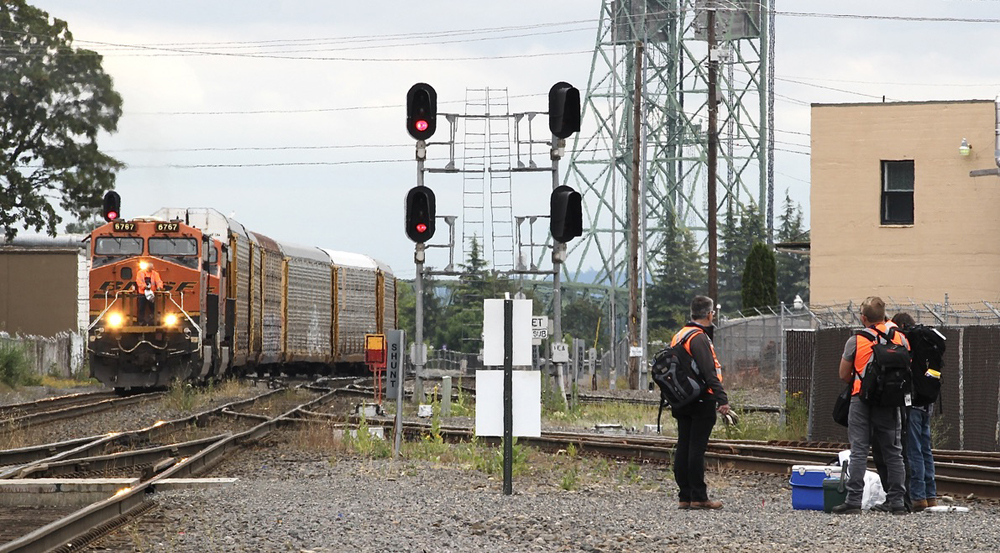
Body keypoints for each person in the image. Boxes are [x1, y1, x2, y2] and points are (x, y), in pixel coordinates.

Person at [832, 296, 909, 515]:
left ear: (863, 318)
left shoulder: (856, 340)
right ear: (884, 316)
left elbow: (843, 374)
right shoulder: (900, 338)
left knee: (859, 450)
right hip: (890, 402)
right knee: (894, 452)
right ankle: (897, 502)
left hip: (861, 400)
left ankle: (853, 500)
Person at [670, 295, 730, 510]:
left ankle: (684, 496)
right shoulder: (698, 337)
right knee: (696, 448)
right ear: (709, 314)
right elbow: (708, 371)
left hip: (681, 398)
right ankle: (699, 497)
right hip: (701, 398)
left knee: (684, 446)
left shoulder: (679, 335)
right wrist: (722, 398)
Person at [891, 311, 938, 512]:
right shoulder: (927, 342)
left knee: (913, 450)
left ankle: (918, 496)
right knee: (926, 449)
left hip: (913, 403)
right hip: (928, 402)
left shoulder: (909, 341)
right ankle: (931, 494)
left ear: (901, 325)